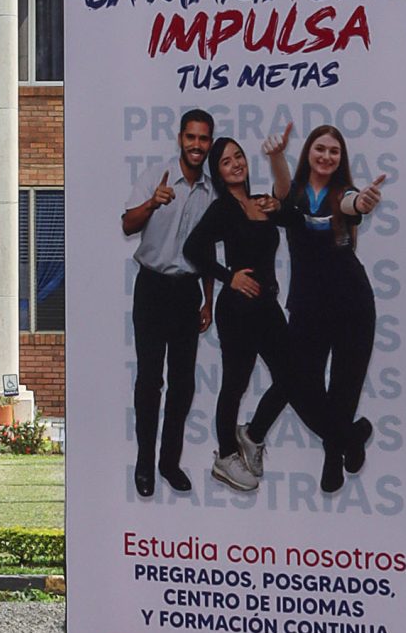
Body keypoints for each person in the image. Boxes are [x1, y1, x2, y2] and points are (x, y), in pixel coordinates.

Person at [182, 126, 328, 493]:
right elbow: (193, 249)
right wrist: (228, 276)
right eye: (226, 161)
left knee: (293, 377)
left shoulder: (262, 202)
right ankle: (225, 456)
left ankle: (252, 433)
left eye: (238, 157)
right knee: (236, 382)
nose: (235, 164)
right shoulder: (222, 209)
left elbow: (294, 218)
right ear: (218, 172)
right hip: (238, 309)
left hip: (268, 305)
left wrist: (279, 205)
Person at [261, 122, 387, 497]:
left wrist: (362, 202)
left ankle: (333, 457)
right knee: (302, 387)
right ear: (308, 153)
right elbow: (282, 193)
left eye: (334, 151)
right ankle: (351, 436)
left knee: (345, 386)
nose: (326, 156)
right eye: (320, 149)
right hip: (307, 307)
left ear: (341, 158)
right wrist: (276, 157)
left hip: (353, 304)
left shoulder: (343, 193)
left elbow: (352, 204)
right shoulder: (296, 192)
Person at [122, 109, 215, 497]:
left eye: (203, 139)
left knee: (182, 384)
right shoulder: (155, 176)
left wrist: (209, 301)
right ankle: (144, 464)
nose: (196, 145)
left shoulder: (212, 191)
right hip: (152, 288)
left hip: (188, 292)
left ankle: (169, 463)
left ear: (210, 144)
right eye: (191, 137)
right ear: (180, 139)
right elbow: (127, 224)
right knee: (149, 381)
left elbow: (208, 250)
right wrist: (152, 203)